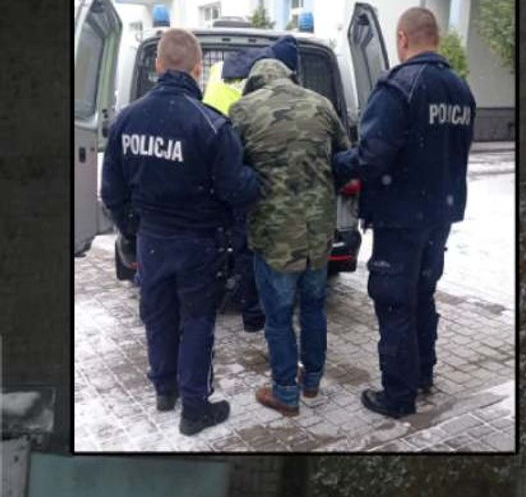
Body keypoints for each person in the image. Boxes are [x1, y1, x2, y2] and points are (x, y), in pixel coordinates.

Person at [100, 28, 260, 436]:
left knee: (158, 316)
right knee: (197, 321)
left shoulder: (127, 120)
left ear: (158, 65)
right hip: (198, 243)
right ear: (197, 69)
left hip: (152, 240)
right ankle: (194, 408)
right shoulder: (210, 124)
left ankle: (164, 390)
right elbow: (236, 189)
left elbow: (111, 191)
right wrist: (258, 177)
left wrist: (133, 228)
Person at [334, 8, 476, 418]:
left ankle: (398, 396)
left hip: (400, 218)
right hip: (439, 215)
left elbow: (371, 157)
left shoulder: (400, 87)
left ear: (402, 38)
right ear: (435, 37)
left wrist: (336, 163)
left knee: (395, 302)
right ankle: (422, 373)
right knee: (422, 295)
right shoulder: (460, 89)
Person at [228, 56, 350, 416]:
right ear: (289, 77)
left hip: (275, 238)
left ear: (255, 82)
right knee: (313, 308)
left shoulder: (243, 110)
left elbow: (232, 172)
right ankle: (311, 382)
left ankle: (285, 391)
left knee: (279, 317)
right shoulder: (321, 104)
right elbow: (344, 159)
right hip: (318, 234)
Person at [203, 36, 302, 333]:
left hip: (215, 154)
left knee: (235, 240)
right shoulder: (263, 84)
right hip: (239, 159)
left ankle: (233, 300)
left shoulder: (224, 66)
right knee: (250, 244)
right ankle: (255, 312)